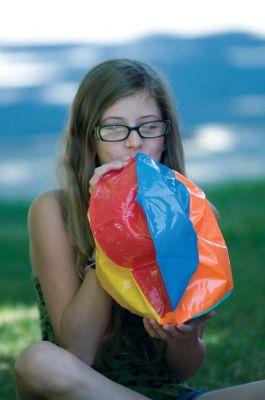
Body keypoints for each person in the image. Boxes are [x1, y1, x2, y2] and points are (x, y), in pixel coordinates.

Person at [14, 58, 265, 400]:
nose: (134, 143)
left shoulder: (195, 214)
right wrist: (110, 228)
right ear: (90, 139)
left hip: (166, 394)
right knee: (37, 361)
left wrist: (185, 335)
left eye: (148, 127)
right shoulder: (52, 211)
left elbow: (183, 369)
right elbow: (78, 351)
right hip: (80, 391)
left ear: (165, 136)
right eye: (114, 128)